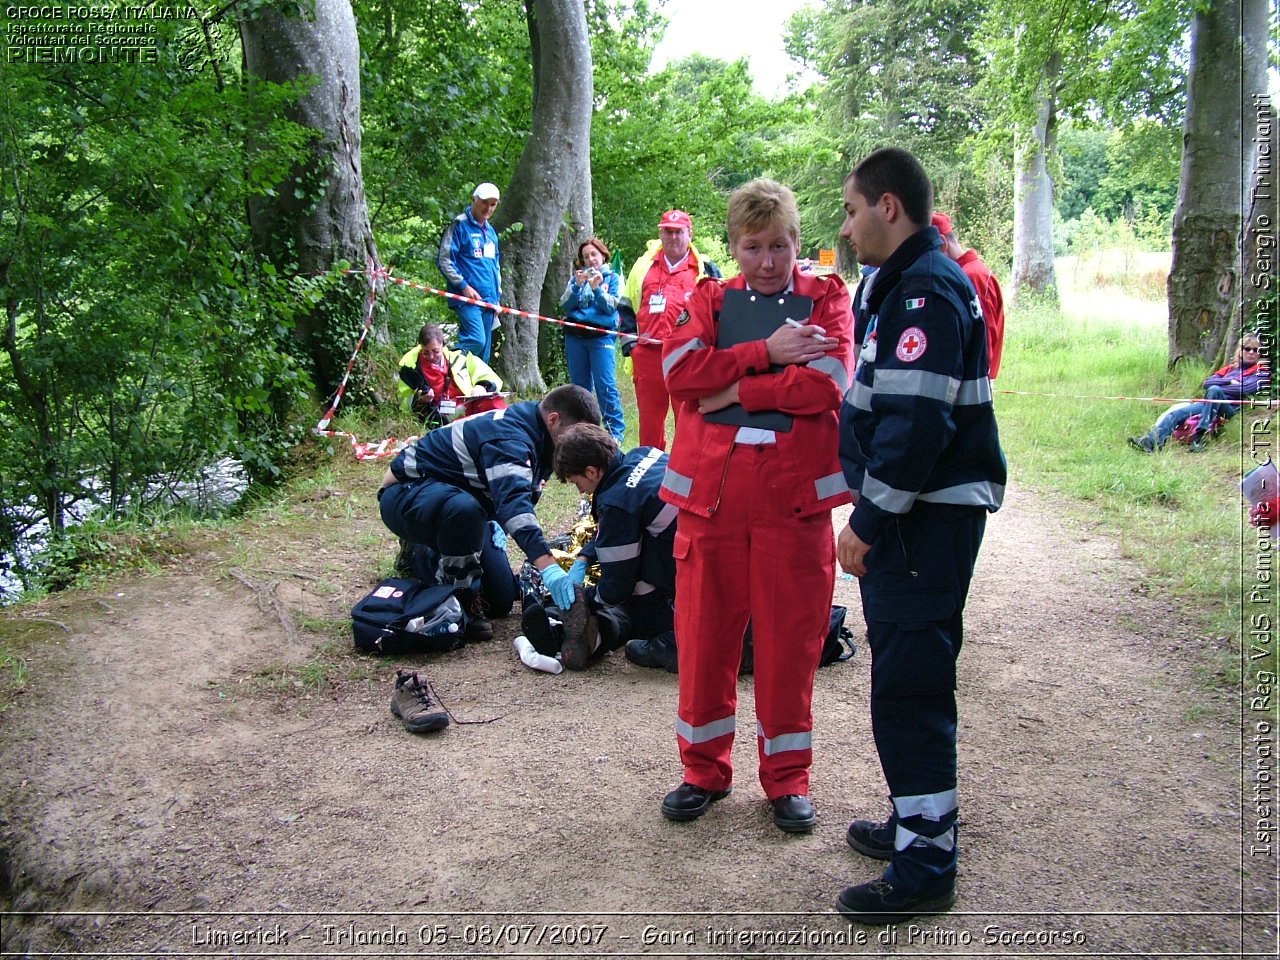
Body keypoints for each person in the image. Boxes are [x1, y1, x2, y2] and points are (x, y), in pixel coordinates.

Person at [836, 147, 1006, 925]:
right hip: (920, 519)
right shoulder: (906, 283)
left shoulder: (925, 293)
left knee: (910, 686)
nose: (846, 227)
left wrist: (867, 522)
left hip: (919, 521)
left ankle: (928, 862)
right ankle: (916, 823)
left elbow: (915, 428)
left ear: (889, 207)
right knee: (905, 676)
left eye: (851, 209)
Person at [658, 179, 854, 835]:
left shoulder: (826, 296)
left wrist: (730, 392)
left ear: (798, 242)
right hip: (711, 497)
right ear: (734, 248)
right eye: (754, 247)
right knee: (705, 637)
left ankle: (787, 781)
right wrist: (767, 354)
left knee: (789, 644)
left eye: (780, 245)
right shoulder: (707, 298)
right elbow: (680, 374)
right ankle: (703, 771)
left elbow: (830, 384)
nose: (768, 261)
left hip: (792, 496)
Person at [378, 385, 601, 638]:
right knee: (464, 511)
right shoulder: (511, 438)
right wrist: (548, 567)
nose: (576, 443)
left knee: (500, 599)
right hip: (407, 492)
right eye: (575, 433)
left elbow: (519, 492)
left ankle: (440, 550)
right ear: (553, 419)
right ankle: (444, 580)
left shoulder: (545, 438)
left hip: (462, 502)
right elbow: (515, 504)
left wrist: (498, 524)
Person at [552, 423, 678, 672]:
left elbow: (616, 587)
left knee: (632, 577)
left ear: (590, 471)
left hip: (696, 564)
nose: (581, 491)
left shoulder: (618, 502)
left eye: (577, 483)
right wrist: (584, 558)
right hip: (719, 543)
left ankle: (667, 636)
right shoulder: (643, 455)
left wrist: (584, 600)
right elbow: (616, 531)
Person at [618, 211, 722, 450]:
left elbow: (721, 312)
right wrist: (631, 347)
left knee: (689, 418)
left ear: (689, 234)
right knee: (650, 423)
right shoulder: (643, 265)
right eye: (668, 231)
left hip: (687, 357)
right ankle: (650, 472)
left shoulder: (705, 268)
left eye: (678, 232)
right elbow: (626, 307)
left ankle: (688, 471)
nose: (673, 237)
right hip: (648, 355)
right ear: (660, 233)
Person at [1128, 334, 1268, 453]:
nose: (1251, 352)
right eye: (1247, 349)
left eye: (1255, 350)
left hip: (1229, 408)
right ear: (1240, 351)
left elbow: (1245, 389)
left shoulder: (1261, 371)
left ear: (1260, 353)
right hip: (1208, 402)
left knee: (1215, 390)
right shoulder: (1230, 369)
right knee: (1176, 414)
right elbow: (1206, 383)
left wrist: (1220, 385)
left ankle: (1198, 438)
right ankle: (1151, 442)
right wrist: (1230, 382)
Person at [559, 238, 626, 443]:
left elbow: (611, 307)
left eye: (593, 255)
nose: (590, 260)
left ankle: (615, 432)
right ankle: (583, 429)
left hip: (601, 337)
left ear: (603, 255)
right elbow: (565, 305)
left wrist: (597, 289)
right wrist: (578, 287)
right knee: (579, 388)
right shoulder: (576, 279)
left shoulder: (613, 278)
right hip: (576, 336)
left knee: (605, 384)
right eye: (586, 256)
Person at [932, 212, 1006, 380]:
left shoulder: (971, 277)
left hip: (973, 381)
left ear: (943, 244)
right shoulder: (964, 274)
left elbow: (982, 341)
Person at [438, 182, 502, 362]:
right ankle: (440, 360)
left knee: (482, 357)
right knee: (476, 340)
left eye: (493, 204)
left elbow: (495, 266)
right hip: (467, 298)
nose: (488, 208)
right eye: (485, 203)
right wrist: (464, 286)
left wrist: (497, 297)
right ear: (474, 200)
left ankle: (474, 389)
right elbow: (445, 260)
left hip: (489, 300)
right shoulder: (459, 225)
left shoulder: (490, 232)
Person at [396, 324, 506, 423]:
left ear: (443, 345)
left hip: (467, 405)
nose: (431, 357)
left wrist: (481, 386)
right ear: (420, 347)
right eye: (426, 353)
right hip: (438, 418)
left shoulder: (461, 358)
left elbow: (489, 375)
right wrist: (419, 400)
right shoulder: (411, 369)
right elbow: (403, 403)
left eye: (435, 352)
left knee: (494, 402)